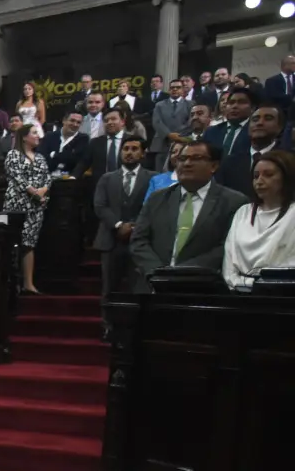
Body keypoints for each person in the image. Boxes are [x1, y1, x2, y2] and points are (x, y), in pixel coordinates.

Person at [128, 141, 249, 293]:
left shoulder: (234, 202)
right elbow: (138, 241)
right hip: (153, 287)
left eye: (196, 158)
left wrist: (181, 274)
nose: (186, 163)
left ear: (214, 166)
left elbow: (227, 247)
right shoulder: (157, 198)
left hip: (202, 289)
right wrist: (158, 274)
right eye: (182, 158)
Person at [93, 136, 154, 332]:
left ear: (143, 153)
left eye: (135, 149)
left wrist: (134, 227)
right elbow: (100, 206)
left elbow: (153, 207)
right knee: (109, 288)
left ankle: (138, 328)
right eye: (126, 148)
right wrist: (119, 225)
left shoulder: (153, 178)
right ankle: (108, 326)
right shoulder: (107, 178)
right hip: (111, 240)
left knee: (139, 287)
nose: (129, 152)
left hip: (141, 241)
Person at [224, 151, 295, 291]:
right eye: (256, 176)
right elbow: (229, 262)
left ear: (287, 177)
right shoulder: (243, 212)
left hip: (283, 294)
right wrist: (241, 286)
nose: (259, 181)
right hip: (239, 293)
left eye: (268, 175)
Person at [4, 123, 51, 294]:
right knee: (15, 242)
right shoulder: (13, 154)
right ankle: (12, 283)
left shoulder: (40, 158)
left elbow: (47, 178)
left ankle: (28, 283)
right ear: (24, 137)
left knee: (29, 243)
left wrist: (43, 190)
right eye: (34, 133)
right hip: (17, 203)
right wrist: (33, 192)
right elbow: (16, 177)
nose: (38, 136)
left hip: (36, 207)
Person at [218, 102, 284, 197]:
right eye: (255, 119)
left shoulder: (289, 160)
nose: (260, 123)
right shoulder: (229, 162)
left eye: (268, 118)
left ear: (280, 127)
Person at [204, 88, 256, 164]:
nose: (234, 106)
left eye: (241, 102)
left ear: (252, 108)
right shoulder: (211, 132)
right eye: (231, 103)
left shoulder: (255, 132)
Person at [75, 107, 127, 182]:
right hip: (100, 184)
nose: (109, 122)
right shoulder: (95, 142)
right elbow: (83, 163)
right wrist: (73, 177)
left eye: (113, 119)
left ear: (122, 122)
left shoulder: (132, 141)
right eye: (106, 120)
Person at [151, 79, 191, 171]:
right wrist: (169, 134)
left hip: (182, 142)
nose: (175, 89)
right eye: (172, 88)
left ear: (182, 90)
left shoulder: (190, 104)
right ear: (169, 90)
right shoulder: (159, 105)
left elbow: (190, 122)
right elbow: (157, 122)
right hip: (162, 144)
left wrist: (179, 136)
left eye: (178, 87)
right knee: (160, 173)